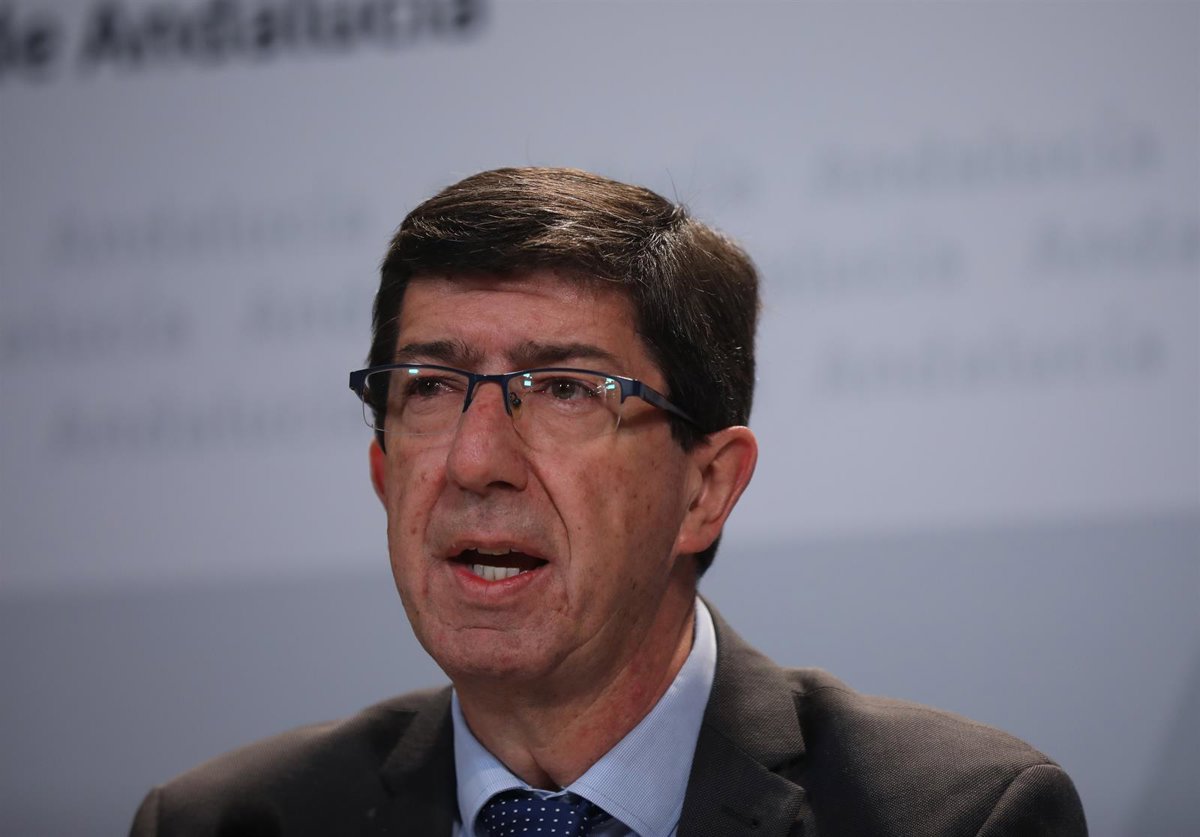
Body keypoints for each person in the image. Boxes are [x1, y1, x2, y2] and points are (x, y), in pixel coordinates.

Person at [129, 167, 1088, 836]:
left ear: (705, 489)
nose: (474, 461)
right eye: (430, 386)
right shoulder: (222, 823)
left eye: (564, 389)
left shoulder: (959, 816)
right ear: (384, 475)